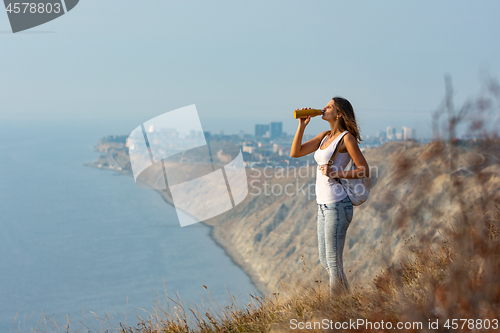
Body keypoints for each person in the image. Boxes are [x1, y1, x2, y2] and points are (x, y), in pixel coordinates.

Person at [290, 97, 370, 295]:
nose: (323, 108)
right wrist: (302, 125)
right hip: (323, 206)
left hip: (338, 204)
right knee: (326, 260)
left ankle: (337, 309)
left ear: (339, 114)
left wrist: (336, 173)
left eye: (329, 106)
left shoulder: (346, 138)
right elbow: (296, 152)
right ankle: (346, 301)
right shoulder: (324, 136)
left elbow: (363, 170)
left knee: (333, 262)